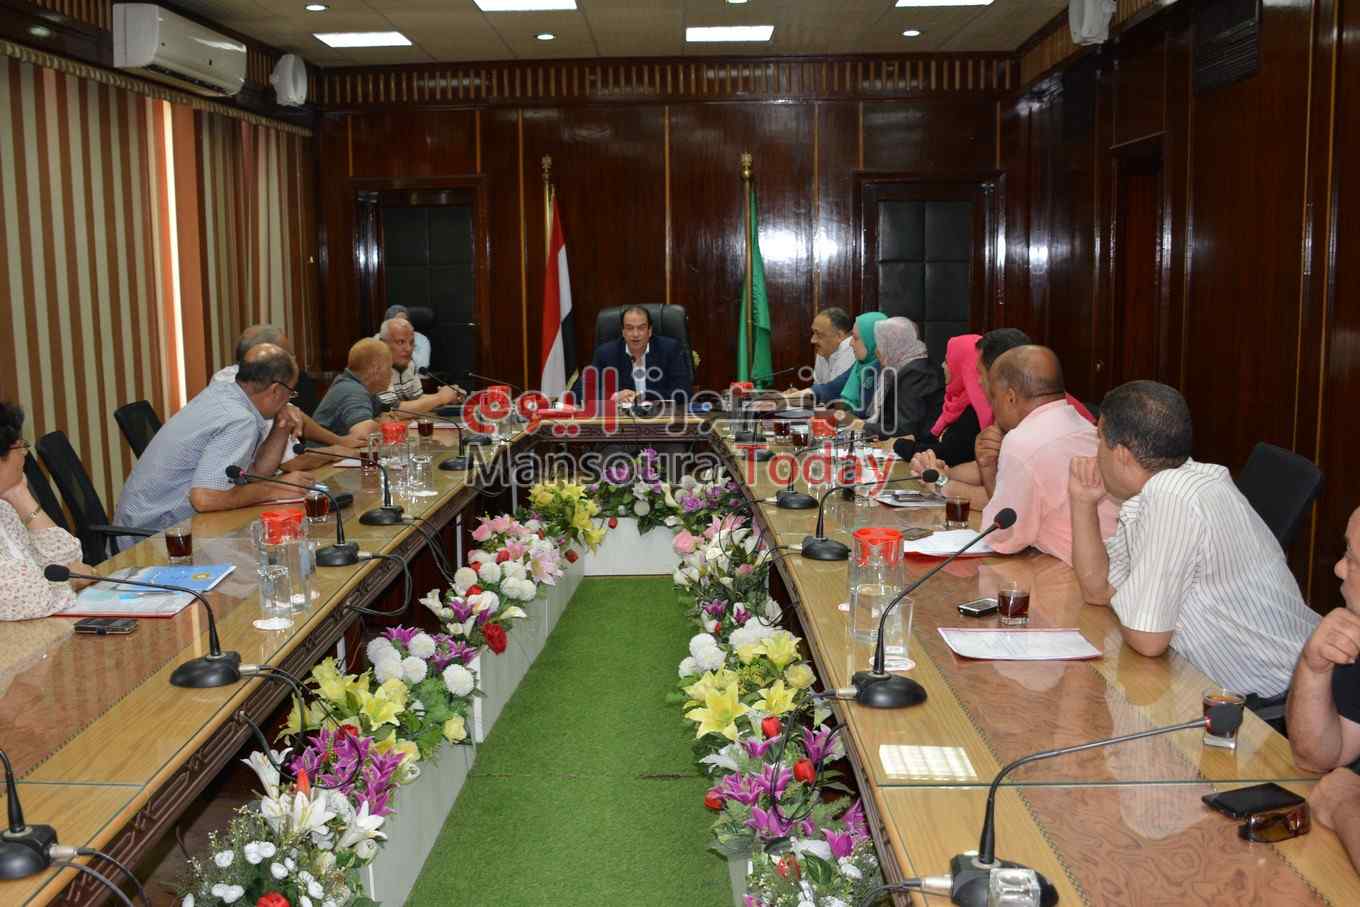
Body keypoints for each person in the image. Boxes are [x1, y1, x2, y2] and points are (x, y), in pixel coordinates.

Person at [1068, 380, 1318, 696]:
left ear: (1121, 454)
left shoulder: (1171, 495)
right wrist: (1083, 502)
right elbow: (1097, 588)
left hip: (1281, 695)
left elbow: (1148, 639)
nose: (1095, 450)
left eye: (1099, 438)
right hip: (1234, 683)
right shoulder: (1173, 485)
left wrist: (1133, 604)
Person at [113, 344, 315, 540]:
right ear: (275, 390)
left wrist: (282, 426)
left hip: (144, 523)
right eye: (290, 393)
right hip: (153, 535)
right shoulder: (239, 419)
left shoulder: (225, 393)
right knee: (271, 545)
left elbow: (256, 473)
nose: (289, 401)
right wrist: (277, 489)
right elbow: (205, 498)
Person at [975, 345, 1117, 565]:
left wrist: (987, 473)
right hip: (1114, 566)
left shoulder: (1022, 441)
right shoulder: (1084, 426)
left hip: (1074, 573)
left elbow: (1003, 538)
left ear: (1010, 397)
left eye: (993, 398)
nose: (992, 408)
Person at [0, 403, 92, 620]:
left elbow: (69, 560)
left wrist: (19, 494)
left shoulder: (5, 506)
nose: (25, 453)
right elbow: (26, 600)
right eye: (20, 446)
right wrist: (69, 581)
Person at [212, 324, 362, 454]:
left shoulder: (254, 377)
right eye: (289, 355)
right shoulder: (234, 383)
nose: (293, 360)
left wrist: (339, 441)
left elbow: (294, 415)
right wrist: (334, 450)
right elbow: (286, 462)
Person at [896, 332, 989, 466]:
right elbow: (933, 438)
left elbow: (948, 454)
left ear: (962, 366)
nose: (942, 365)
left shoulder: (975, 410)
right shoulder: (953, 399)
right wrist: (915, 439)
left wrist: (901, 445)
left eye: (947, 361)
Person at [574, 305, 692, 403]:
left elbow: (684, 392)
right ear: (623, 332)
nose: (635, 334)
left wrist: (642, 396)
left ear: (649, 331)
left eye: (641, 328)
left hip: (661, 417)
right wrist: (615, 396)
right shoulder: (606, 354)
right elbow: (579, 392)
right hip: (622, 420)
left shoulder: (669, 349)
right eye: (629, 328)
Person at [862, 318, 944, 443]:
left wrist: (863, 427)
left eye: (881, 343)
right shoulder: (907, 366)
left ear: (894, 343)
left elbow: (905, 430)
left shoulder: (915, 373)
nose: (876, 351)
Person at [378, 318, 464, 415]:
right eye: (401, 342)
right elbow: (394, 411)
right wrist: (439, 398)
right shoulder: (376, 368)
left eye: (411, 343)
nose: (408, 349)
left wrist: (448, 396)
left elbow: (417, 400)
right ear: (383, 344)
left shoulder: (409, 365)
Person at [312, 339, 392, 439]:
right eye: (389, 368)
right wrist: (385, 425)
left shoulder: (362, 387)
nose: (391, 373)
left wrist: (381, 419)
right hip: (325, 449)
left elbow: (390, 410)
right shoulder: (352, 390)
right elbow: (363, 433)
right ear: (376, 369)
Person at [787, 308, 855, 405]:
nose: (812, 340)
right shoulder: (824, 350)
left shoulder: (851, 349)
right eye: (813, 333)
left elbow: (834, 397)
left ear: (839, 336)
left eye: (818, 334)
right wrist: (797, 396)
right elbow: (819, 393)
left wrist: (792, 398)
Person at [834, 312, 886, 419]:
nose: (850, 343)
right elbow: (835, 385)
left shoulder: (885, 369)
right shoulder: (860, 365)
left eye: (856, 338)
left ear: (872, 339)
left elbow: (868, 415)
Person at [381, 304, 431, 370]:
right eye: (398, 322)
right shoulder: (380, 339)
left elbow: (422, 365)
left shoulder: (421, 339)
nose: (403, 325)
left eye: (406, 321)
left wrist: (407, 345)